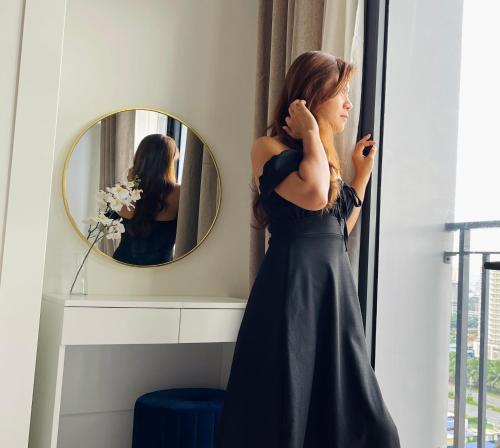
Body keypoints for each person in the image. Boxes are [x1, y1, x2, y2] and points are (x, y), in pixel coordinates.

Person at [215, 51, 401, 447]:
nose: (349, 104)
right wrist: (313, 135)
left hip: (334, 295)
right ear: (313, 95)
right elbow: (316, 196)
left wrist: (360, 179)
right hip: (291, 291)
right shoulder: (267, 148)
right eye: (342, 93)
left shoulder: (324, 158)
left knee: (369, 421)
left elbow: (335, 230)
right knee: (287, 405)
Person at [109, 133, 181, 265]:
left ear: (139, 157)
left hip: (121, 264)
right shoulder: (178, 193)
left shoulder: (122, 191)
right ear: (168, 162)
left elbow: (107, 219)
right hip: (160, 270)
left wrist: (130, 182)